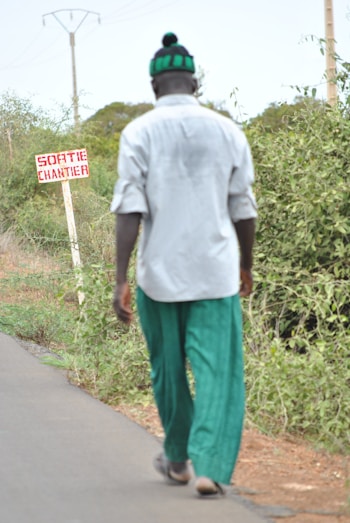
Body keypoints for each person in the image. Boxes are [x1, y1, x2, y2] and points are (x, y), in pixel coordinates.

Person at [111, 32, 257, 496]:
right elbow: (244, 208)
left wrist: (119, 280)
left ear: (155, 87)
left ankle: (177, 459)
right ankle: (209, 467)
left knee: (168, 370)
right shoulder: (228, 130)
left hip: (160, 275)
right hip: (215, 273)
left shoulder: (138, 132)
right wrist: (246, 265)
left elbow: (129, 209)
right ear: (194, 84)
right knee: (219, 373)